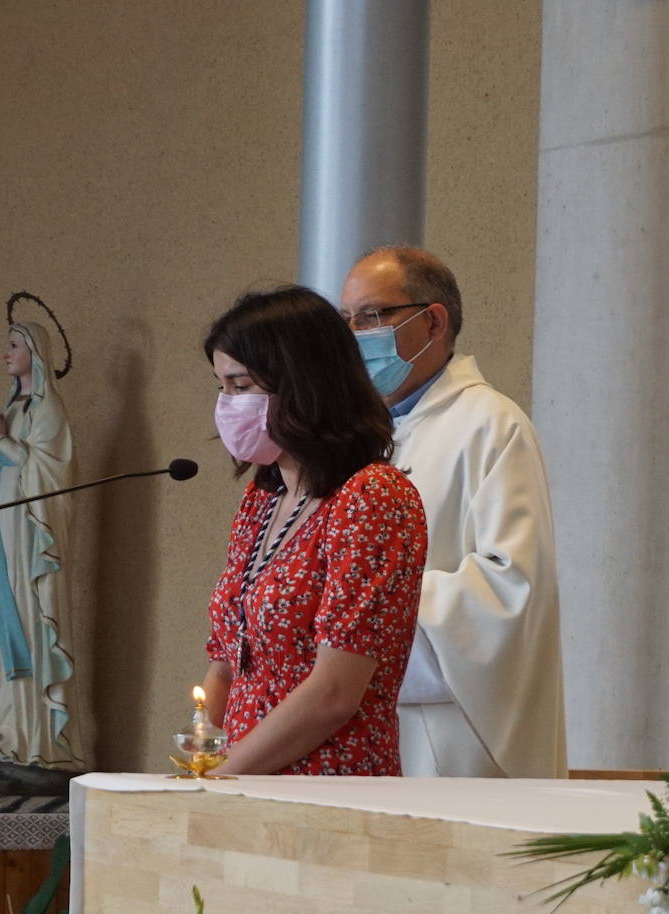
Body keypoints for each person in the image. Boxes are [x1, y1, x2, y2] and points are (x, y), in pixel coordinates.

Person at [341, 246, 566, 778]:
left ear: (433, 320)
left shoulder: (490, 425)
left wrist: (363, 613)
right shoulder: (360, 438)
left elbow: (512, 590)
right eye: (345, 320)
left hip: (447, 733)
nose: (354, 336)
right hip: (361, 727)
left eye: (370, 317)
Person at [200, 285, 427, 776]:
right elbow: (227, 660)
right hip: (240, 783)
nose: (226, 404)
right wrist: (197, 763)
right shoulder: (264, 498)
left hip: (326, 787)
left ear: (302, 383)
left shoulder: (372, 498)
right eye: (221, 387)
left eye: (241, 386)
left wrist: (217, 778)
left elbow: (334, 692)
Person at [0, 321, 84, 769]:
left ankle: (35, 740)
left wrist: (0, 438)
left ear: (35, 352)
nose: (6, 353)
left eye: (13, 345)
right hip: (3, 531)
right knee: (0, 623)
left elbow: (49, 474)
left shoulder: (48, 409)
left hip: (29, 543)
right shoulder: (13, 409)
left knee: (30, 623)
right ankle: (0, 732)